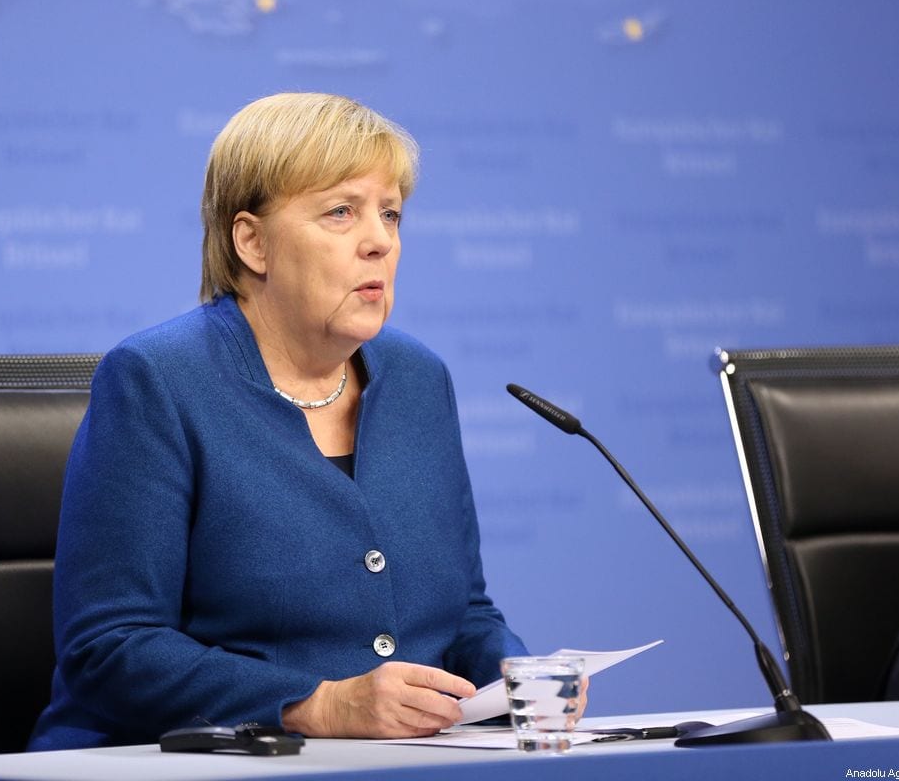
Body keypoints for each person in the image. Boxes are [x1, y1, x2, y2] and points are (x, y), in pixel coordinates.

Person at [29, 92, 574, 749]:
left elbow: (461, 617)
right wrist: (315, 704)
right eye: (341, 212)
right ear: (252, 241)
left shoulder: (417, 379)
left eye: (391, 214)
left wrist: (519, 678)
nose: (379, 241)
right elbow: (108, 649)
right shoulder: (156, 381)